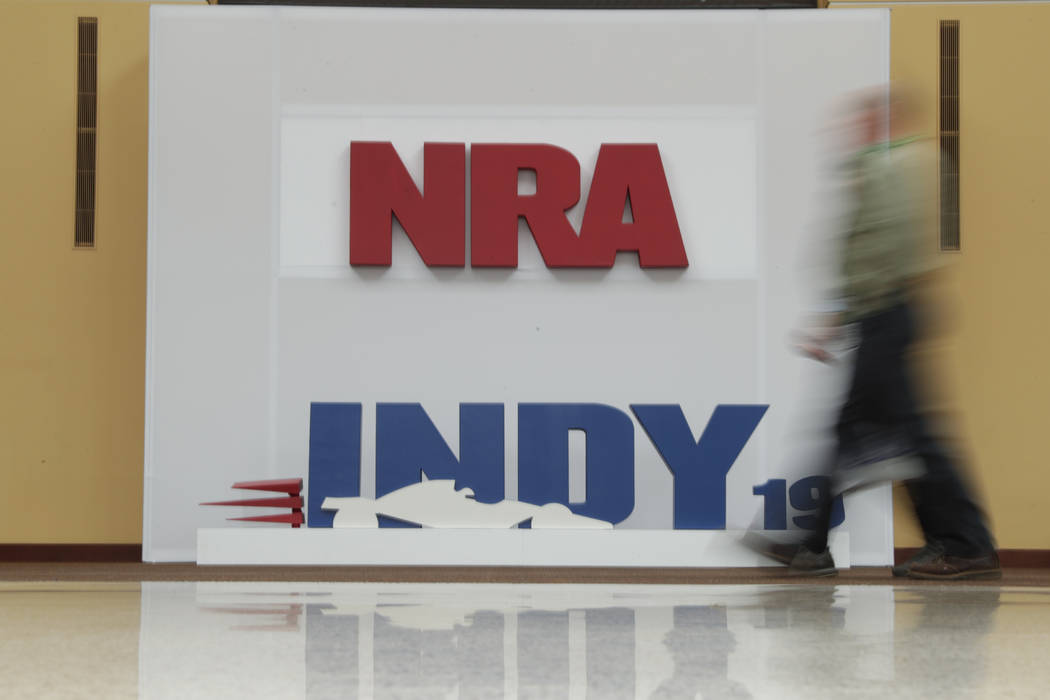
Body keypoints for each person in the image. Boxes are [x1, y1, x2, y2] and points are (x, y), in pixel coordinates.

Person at [756, 87, 1000, 580]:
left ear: (883, 121)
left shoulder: (890, 166)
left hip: (886, 310)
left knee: (906, 436)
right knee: (862, 429)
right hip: (892, 310)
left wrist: (838, 315)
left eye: (859, 121)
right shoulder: (912, 165)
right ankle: (809, 543)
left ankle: (963, 543)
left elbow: (876, 244)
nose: (848, 132)